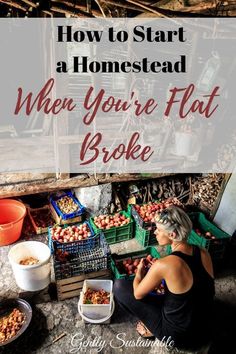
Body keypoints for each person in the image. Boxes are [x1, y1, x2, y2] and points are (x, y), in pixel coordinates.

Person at [113, 206, 215, 350]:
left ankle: (151, 328)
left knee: (119, 287)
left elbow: (137, 293)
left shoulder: (164, 265)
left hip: (179, 337)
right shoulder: (203, 252)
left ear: (172, 235)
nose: (155, 232)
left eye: (159, 230)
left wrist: (139, 274)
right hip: (205, 329)